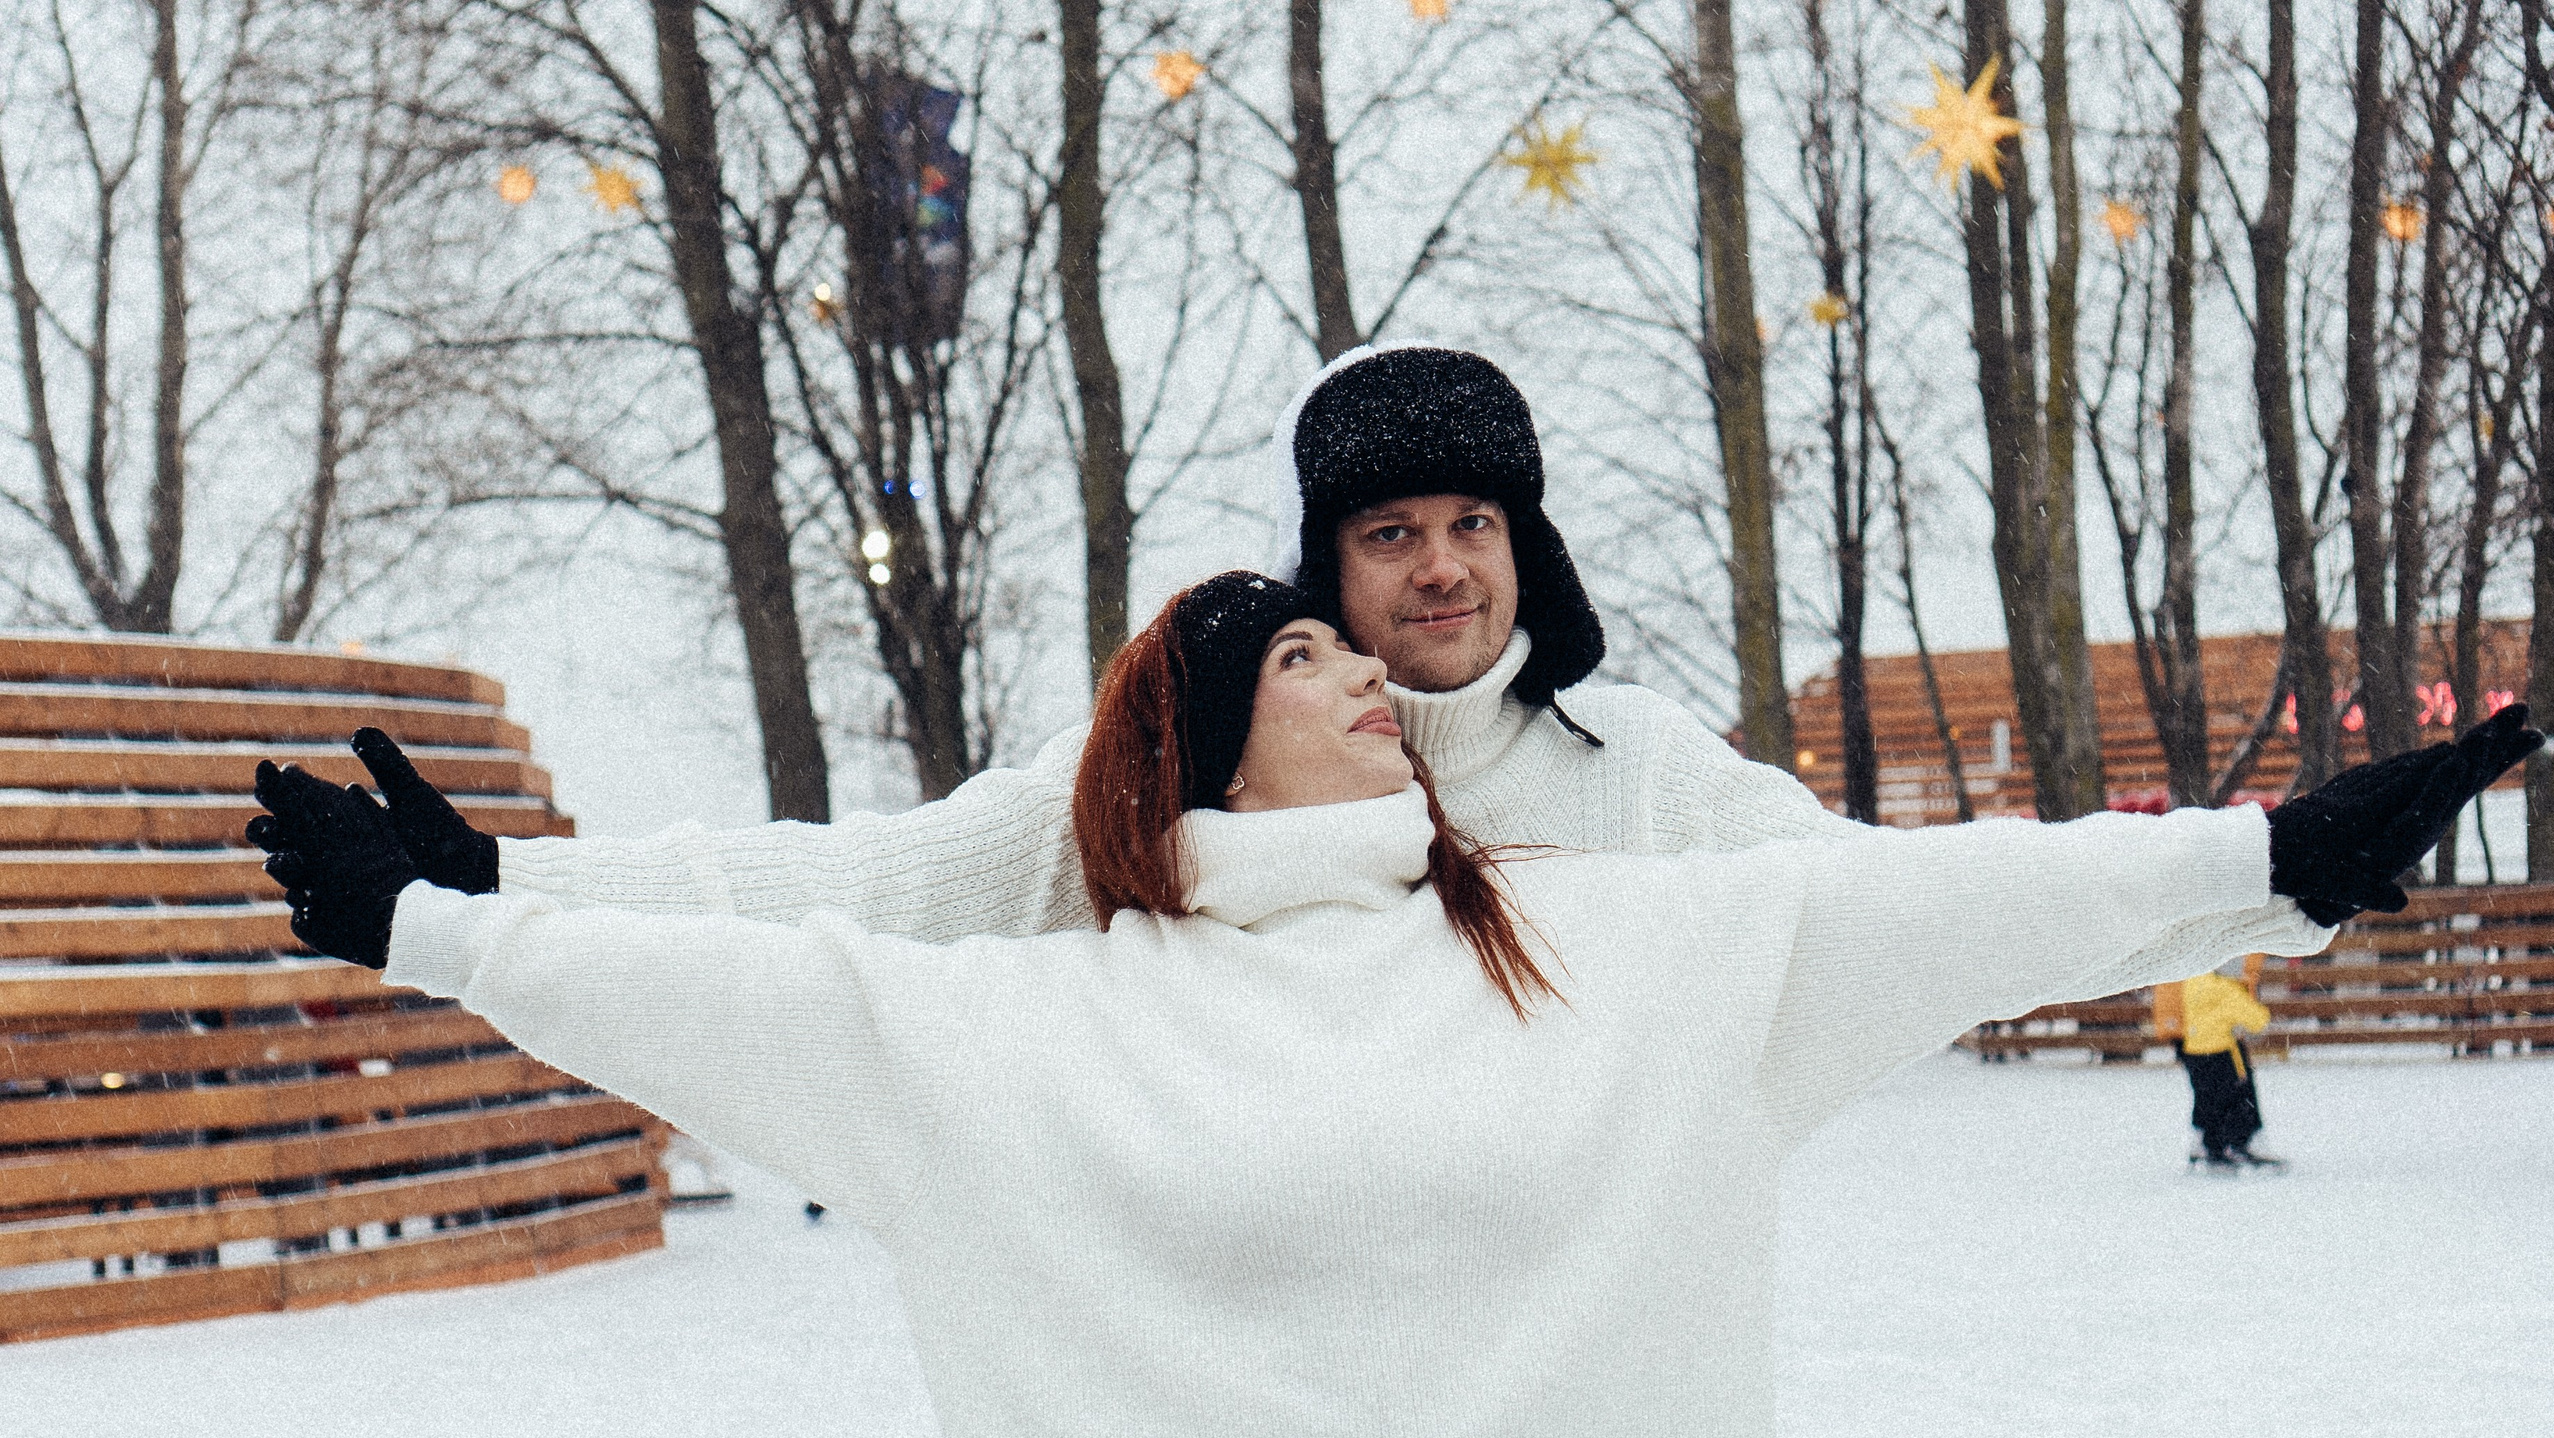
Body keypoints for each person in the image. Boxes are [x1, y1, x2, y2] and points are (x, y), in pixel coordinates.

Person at [245, 573, 2539, 1438]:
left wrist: (2272, 859)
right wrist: (460, 923)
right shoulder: (1032, 1023)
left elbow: (1934, 888)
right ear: (1208, 751)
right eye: (1322, 666)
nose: (1384, 678)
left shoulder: (1626, 952)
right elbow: (768, 958)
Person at [312, 344, 2328, 999]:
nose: (1439, 567)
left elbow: (1900, 910)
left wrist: (2272, 864)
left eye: (1471, 522)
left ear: (1518, 539)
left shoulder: (1632, 768)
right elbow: (865, 884)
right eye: (1387, 534)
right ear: (1327, 568)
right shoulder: (1201, 774)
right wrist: (513, 886)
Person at [2179, 963, 2281, 1171]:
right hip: (2222, 1053)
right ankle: (2238, 1144)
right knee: (2237, 1100)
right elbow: (2258, 1020)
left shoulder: (2193, 982)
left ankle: (2210, 1145)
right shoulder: (2226, 989)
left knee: (2207, 1100)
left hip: (2195, 1052)